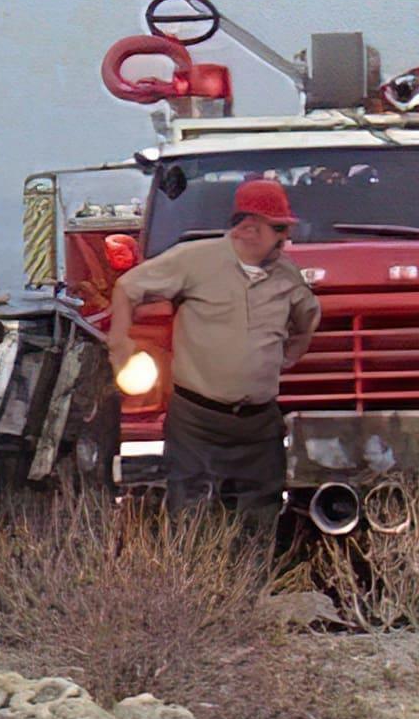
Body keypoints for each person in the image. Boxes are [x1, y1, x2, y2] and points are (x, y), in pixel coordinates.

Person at [109, 177, 322, 532]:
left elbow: (308, 317)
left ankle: (252, 585)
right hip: (198, 421)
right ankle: (195, 586)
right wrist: (120, 343)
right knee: (191, 513)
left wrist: (285, 356)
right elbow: (127, 287)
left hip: (258, 424)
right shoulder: (195, 260)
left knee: (260, 512)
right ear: (251, 228)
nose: (286, 238)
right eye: (279, 228)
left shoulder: (286, 274)